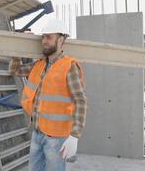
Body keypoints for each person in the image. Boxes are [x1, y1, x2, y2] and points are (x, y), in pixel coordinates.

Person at [9, 19, 88, 171]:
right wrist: (18, 48)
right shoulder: (39, 64)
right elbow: (15, 71)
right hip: (38, 132)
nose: (44, 41)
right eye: (43, 37)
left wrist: (75, 135)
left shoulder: (69, 66)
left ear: (61, 39)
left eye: (49, 37)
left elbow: (80, 100)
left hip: (57, 138)